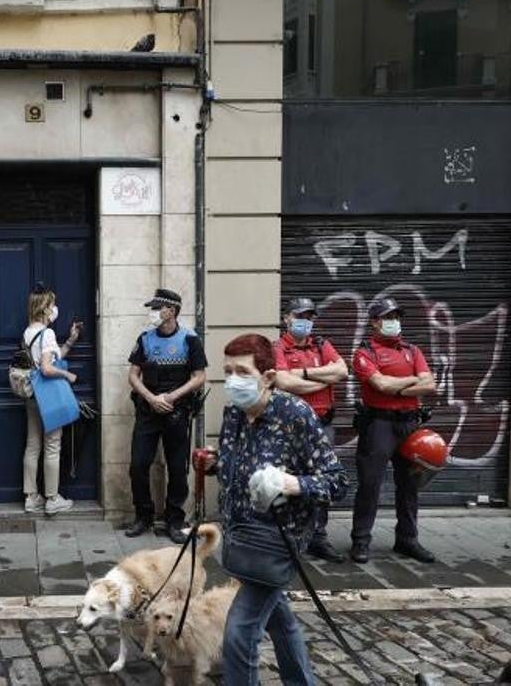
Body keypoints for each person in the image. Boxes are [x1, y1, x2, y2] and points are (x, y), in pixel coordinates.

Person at [208, 333, 347, 685]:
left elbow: (336, 482)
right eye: (227, 371)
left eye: (242, 371)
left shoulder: (295, 414)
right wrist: (215, 462)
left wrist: (292, 483)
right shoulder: (235, 413)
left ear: (268, 377)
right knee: (280, 621)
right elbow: (235, 465)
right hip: (242, 539)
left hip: (276, 543)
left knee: (239, 633)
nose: (232, 380)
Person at [350, 297, 438, 564]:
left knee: (410, 485)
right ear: (374, 322)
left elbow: (430, 384)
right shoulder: (365, 352)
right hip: (379, 425)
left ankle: (407, 540)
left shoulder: (412, 350)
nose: (394, 322)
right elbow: (380, 385)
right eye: (388, 318)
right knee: (370, 484)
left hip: (410, 424)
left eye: (396, 317)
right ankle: (361, 542)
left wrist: (397, 384)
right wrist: (412, 381)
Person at [125, 288, 207, 544]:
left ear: (171, 311)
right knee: (138, 465)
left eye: (157, 308)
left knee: (177, 468)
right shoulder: (146, 338)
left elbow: (199, 377)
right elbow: (133, 375)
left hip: (177, 411)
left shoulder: (189, 339)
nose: (153, 313)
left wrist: (171, 397)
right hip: (148, 410)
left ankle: (174, 519)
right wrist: (151, 398)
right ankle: (143, 516)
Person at [272, 297, 349, 563]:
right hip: (291, 428)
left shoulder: (321, 344)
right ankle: (290, 538)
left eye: (310, 316)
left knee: (322, 481)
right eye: (300, 315)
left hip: (323, 425)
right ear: (287, 318)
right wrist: (320, 379)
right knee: (291, 480)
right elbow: (284, 382)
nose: (305, 321)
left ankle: (319, 538)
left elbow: (341, 371)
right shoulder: (278, 347)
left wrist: (302, 374)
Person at [21, 284, 80, 516]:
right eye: (52, 304)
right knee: (52, 446)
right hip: (50, 396)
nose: (55, 308)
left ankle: (30, 497)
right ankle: (52, 499)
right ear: (45, 307)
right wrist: (68, 375)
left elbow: (48, 359)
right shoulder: (47, 333)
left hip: (34, 395)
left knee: (33, 445)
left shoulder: (29, 332)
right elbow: (47, 368)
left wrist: (71, 341)